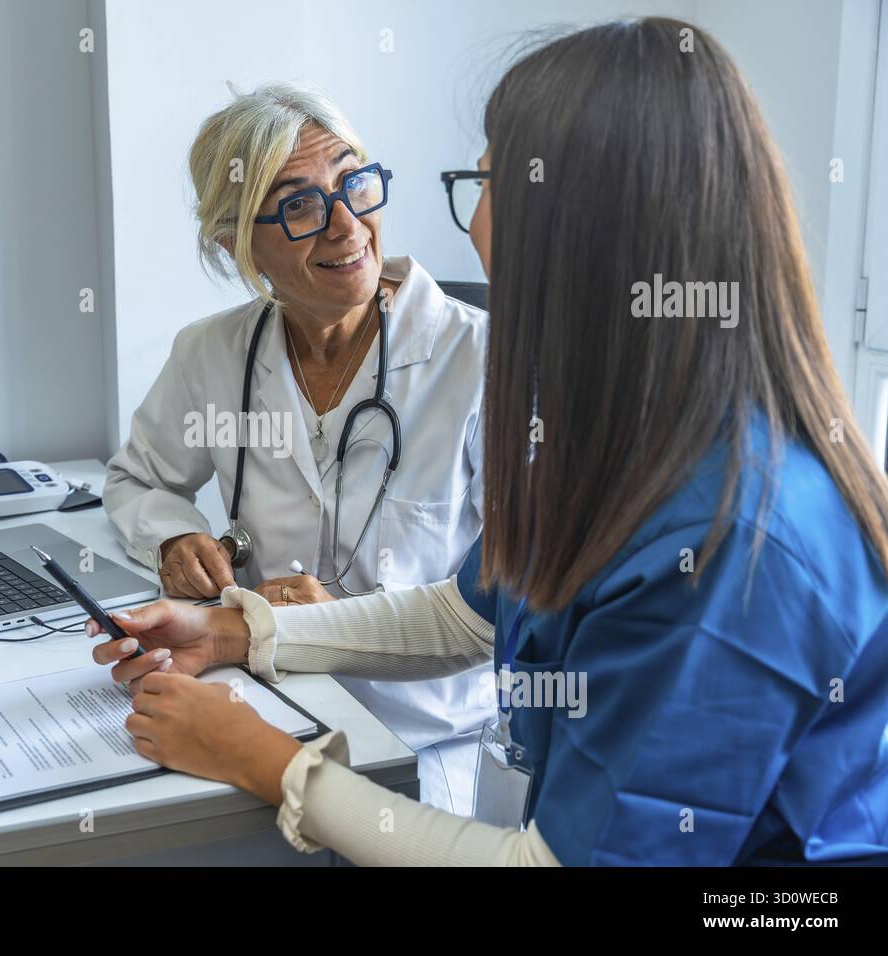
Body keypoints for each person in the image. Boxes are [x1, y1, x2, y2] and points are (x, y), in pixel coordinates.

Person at [90, 18, 888, 865]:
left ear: (586, 229)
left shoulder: (727, 540)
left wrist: (266, 761)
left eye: (489, 180)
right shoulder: (626, 444)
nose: (469, 220)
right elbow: (468, 611)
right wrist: (238, 634)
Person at [103, 83, 491, 812]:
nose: (347, 227)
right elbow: (134, 481)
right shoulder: (212, 353)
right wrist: (173, 535)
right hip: (263, 704)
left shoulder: (482, 362)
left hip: (428, 748)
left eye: (355, 185)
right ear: (236, 242)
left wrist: (320, 622)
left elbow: (507, 616)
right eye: (300, 205)